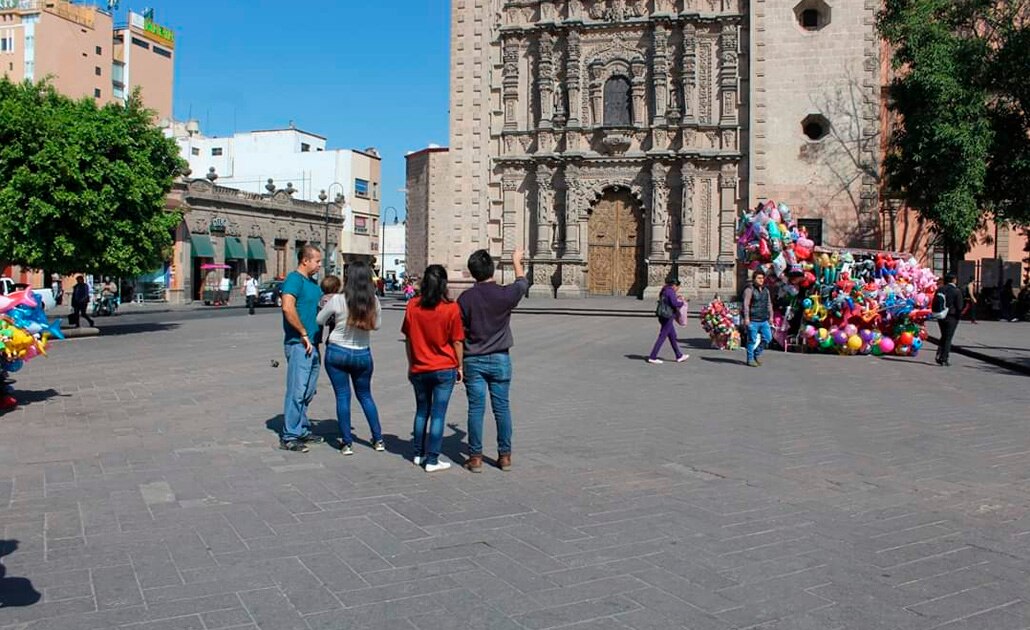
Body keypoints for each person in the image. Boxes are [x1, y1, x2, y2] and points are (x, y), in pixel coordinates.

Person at [457, 248, 528, 473]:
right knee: (502, 408)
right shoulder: (504, 294)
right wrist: (516, 261)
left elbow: (459, 333)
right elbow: (522, 284)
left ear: (472, 272)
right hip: (500, 358)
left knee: (476, 409)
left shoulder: (465, 298)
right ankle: (504, 456)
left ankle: (475, 458)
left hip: (473, 359)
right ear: (492, 270)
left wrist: (458, 363)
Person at [402, 265, 464, 473]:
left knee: (422, 411)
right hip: (444, 367)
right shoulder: (451, 308)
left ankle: (418, 454)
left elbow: (408, 339)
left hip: (419, 367)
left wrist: (411, 364)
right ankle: (433, 459)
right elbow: (457, 341)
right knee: (438, 414)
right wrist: (460, 365)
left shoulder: (412, 306)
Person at [317, 262, 384, 456]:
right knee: (365, 396)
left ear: (348, 277)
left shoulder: (338, 300)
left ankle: (347, 443)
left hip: (337, 350)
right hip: (362, 352)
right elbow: (377, 326)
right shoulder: (373, 301)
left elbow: (320, 320)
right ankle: (378, 439)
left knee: (342, 396)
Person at [279, 245, 326, 452]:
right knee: (297, 390)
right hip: (299, 344)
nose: (319, 265)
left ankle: (301, 428)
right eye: (317, 261)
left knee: (308, 390)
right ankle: (290, 435)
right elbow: (287, 307)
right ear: (305, 260)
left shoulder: (312, 283)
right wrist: (303, 333)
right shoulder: (294, 280)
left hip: (313, 344)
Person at [647, 275, 689, 365]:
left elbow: (668, 301)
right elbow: (674, 303)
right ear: (674, 285)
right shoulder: (670, 291)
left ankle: (679, 355)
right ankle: (652, 356)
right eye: (678, 287)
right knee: (662, 337)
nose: (677, 289)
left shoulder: (664, 290)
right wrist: (682, 303)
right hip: (668, 316)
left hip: (663, 315)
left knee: (672, 335)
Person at [742, 270, 774, 367]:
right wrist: (746, 318)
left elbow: (769, 304)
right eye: (759, 278)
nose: (761, 280)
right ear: (754, 279)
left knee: (768, 338)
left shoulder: (766, 290)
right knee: (752, 340)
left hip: (764, 320)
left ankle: (757, 353)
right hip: (753, 320)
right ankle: (750, 359)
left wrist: (771, 316)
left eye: (762, 278)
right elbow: (746, 305)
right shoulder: (749, 290)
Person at [935, 273, 964, 367]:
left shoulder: (940, 289)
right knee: (948, 338)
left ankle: (939, 353)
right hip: (952, 316)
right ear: (954, 280)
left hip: (941, 315)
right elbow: (959, 306)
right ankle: (944, 358)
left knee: (943, 335)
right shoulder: (956, 291)